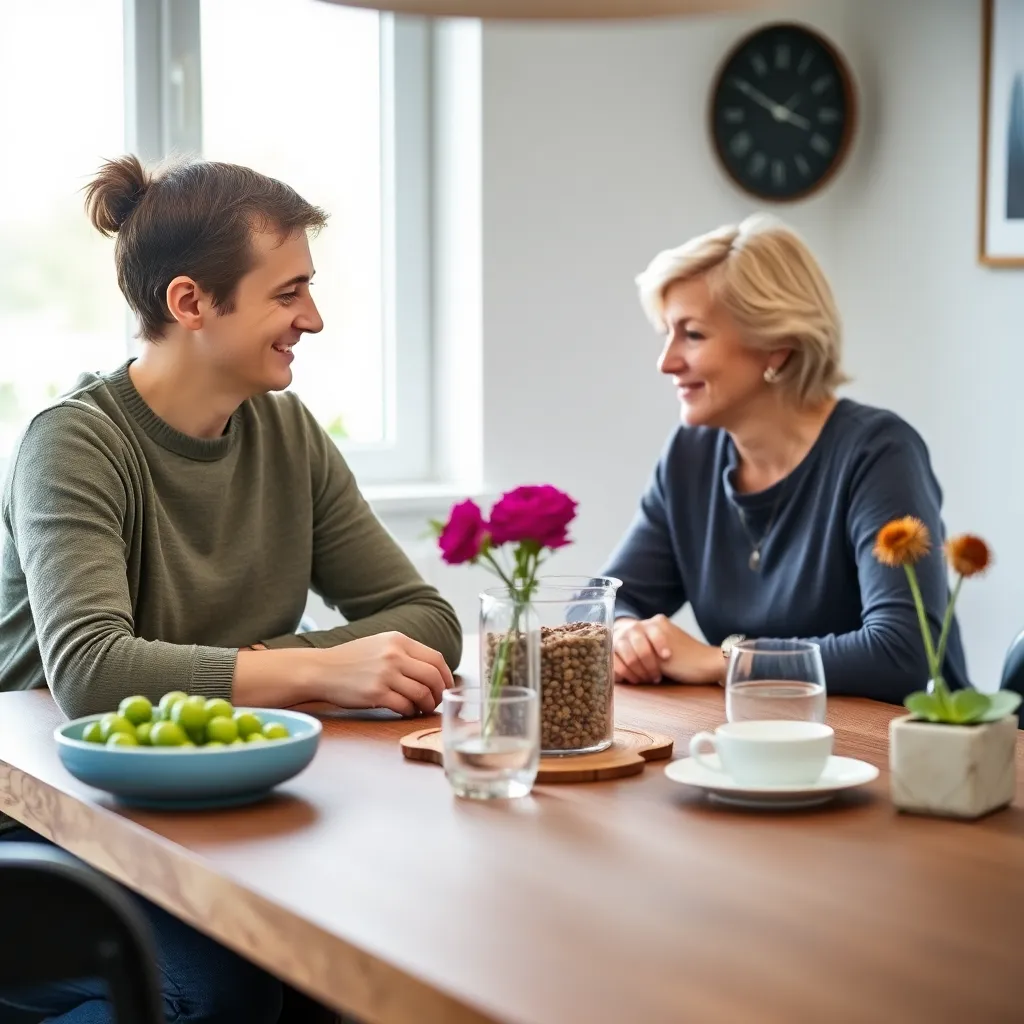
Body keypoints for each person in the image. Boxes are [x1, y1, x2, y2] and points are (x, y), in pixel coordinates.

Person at [0, 155, 462, 1022]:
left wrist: (265, 664)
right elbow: (94, 674)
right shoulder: (72, 444)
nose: (313, 318)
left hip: (222, 818)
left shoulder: (287, 434)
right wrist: (321, 671)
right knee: (218, 992)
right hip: (58, 835)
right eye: (288, 293)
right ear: (190, 304)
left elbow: (426, 620)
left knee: (377, 952)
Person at [603, 214, 967, 705]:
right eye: (667, 332)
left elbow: (902, 652)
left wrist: (723, 660)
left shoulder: (879, 452)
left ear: (776, 346)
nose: (665, 362)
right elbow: (605, 604)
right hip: (762, 736)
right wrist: (626, 634)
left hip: (901, 750)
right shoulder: (689, 457)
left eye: (692, 335)